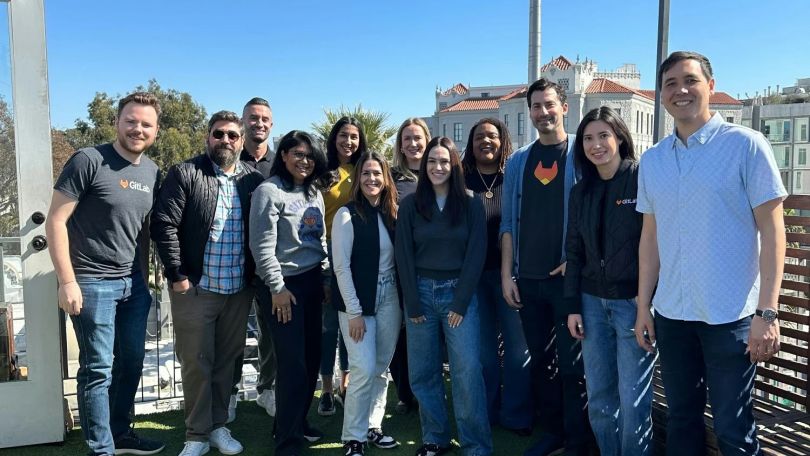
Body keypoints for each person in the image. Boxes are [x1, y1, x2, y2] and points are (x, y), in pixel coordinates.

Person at [634, 51, 786, 456]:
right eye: (670, 83)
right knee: (681, 420)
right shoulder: (653, 161)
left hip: (730, 317)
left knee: (733, 429)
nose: (680, 90)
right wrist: (643, 307)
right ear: (661, 95)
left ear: (710, 87)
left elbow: (774, 234)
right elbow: (650, 239)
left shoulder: (746, 146)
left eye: (690, 80)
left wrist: (767, 313)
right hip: (672, 315)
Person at [45, 92, 165, 456]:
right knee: (98, 369)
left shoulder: (152, 172)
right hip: (92, 282)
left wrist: (150, 279)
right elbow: (56, 220)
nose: (137, 129)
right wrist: (68, 281)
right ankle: (101, 449)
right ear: (117, 121)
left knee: (131, 362)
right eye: (131, 121)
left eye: (146, 124)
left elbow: (146, 230)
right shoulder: (89, 160)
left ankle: (120, 432)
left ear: (156, 131)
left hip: (134, 284)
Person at [150, 110, 264, 456]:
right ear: (207, 137)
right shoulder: (186, 173)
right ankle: (196, 436)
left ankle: (217, 427)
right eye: (219, 134)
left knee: (226, 362)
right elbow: (163, 224)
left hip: (237, 290)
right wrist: (177, 275)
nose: (225, 141)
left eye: (232, 135)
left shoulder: (252, 180)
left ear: (242, 141)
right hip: (196, 289)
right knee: (197, 363)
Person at [499, 78, 593, 456]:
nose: (542, 112)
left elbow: (591, 217)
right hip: (528, 280)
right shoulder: (519, 161)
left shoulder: (581, 156)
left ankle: (579, 440)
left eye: (549, 104)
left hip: (569, 284)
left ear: (565, 108)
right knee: (542, 362)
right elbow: (507, 224)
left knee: (574, 366)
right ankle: (553, 432)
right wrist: (507, 274)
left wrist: (576, 257)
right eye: (535, 106)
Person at [563, 107, 655, 456]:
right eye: (588, 138)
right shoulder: (580, 191)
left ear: (619, 137)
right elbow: (573, 252)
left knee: (633, 403)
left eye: (604, 135)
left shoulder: (641, 179)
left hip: (633, 305)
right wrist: (572, 307)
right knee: (600, 398)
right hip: (590, 304)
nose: (596, 144)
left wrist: (647, 305)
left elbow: (655, 245)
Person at [396, 136, 491, 456]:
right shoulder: (410, 205)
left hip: (458, 296)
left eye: (444, 161)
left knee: (466, 372)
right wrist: (412, 301)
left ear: (455, 165)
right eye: (432, 161)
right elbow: (403, 255)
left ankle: (475, 444)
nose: (438, 167)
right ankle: (435, 438)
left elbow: (477, 253)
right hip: (420, 294)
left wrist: (461, 301)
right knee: (423, 373)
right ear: (424, 166)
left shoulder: (471, 202)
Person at [249, 130, 329, 456]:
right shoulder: (269, 192)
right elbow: (262, 246)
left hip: (312, 283)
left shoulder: (314, 193)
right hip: (285, 287)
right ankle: (287, 441)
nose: (304, 161)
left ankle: (295, 422)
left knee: (311, 361)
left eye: (309, 156)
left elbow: (318, 240)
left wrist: (324, 278)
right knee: (292, 364)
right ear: (283, 156)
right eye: (297, 154)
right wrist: (277, 288)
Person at [461, 118, 533, 434]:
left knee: (518, 349)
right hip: (473, 278)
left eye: (492, 136)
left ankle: (515, 414)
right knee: (484, 351)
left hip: (511, 275)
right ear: (471, 143)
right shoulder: (460, 180)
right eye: (479, 137)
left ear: (503, 141)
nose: (486, 141)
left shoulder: (513, 178)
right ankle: (487, 412)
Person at [332, 152, 401, 455]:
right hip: (357, 303)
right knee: (361, 367)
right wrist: (354, 312)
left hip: (390, 298)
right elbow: (341, 267)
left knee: (381, 368)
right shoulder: (347, 215)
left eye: (377, 173)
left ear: (386, 178)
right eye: (366, 174)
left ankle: (373, 426)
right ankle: (353, 437)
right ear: (357, 179)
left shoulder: (392, 213)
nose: (372, 179)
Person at [230, 96, 277, 422]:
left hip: (268, 266)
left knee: (270, 333)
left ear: (271, 124)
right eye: (253, 118)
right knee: (231, 335)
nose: (259, 123)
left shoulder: (280, 163)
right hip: (231, 261)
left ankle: (267, 390)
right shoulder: (228, 159)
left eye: (264, 119)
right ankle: (229, 393)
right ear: (244, 122)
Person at [318, 117, 365, 416]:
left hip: (356, 257)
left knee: (350, 323)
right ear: (334, 138)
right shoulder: (322, 172)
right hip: (324, 256)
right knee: (327, 327)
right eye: (343, 136)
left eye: (354, 137)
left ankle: (345, 385)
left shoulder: (364, 170)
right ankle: (325, 388)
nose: (348, 142)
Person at [387, 117, 431, 414]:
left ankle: (429, 389)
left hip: (433, 269)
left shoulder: (441, 173)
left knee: (430, 332)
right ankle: (406, 393)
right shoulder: (391, 178)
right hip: (396, 266)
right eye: (407, 139)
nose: (413, 144)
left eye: (418, 138)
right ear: (400, 146)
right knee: (400, 332)